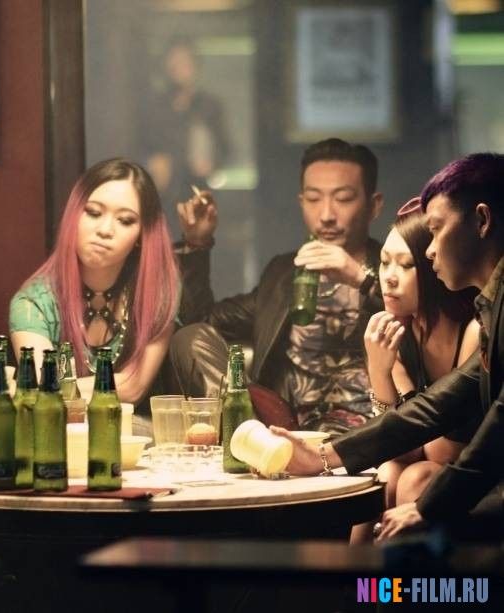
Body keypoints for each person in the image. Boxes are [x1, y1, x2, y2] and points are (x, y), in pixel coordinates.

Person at [277, 153, 504, 542]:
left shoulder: (481, 316)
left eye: (436, 229)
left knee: (414, 504)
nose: (429, 250)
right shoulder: (492, 303)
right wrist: (322, 456)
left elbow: (496, 430)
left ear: (482, 221)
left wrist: (429, 506)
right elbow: (438, 406)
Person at [170, 138, 385, 434]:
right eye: (313, 199)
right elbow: (198, 322)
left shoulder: (397, 268)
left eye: (344, 198)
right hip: (282, 428)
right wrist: (196, 245)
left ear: (373, 206)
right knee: (191, 337)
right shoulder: (283, 274)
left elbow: (424, 335)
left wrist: (361, 279)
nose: (326, 215)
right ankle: (249, 436)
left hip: (370, 428)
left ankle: (251, 444)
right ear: (301, 202)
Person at [350, 201, 479, 543]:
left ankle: (403, 578)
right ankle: (352, 573)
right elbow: (397, 450)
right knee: (386, 473)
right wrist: (380, 371)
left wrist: (408, 412)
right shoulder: (397, 331)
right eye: (384, 262)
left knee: (416, 477)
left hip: (479, 470)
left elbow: (444, 454)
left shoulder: (472, 332)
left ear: (434, 266)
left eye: (406, 265)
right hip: (428, 462)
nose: (389, 277)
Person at [9, 158, 179, 406]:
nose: (105, 230)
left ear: (141, 235)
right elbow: (42, 390)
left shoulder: (158, 291)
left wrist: (59, 386)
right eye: (93, 212)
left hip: (138, 426)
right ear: (73, 216)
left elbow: (134, 387)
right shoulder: (33, 302)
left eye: (125, 220)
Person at [142, 37, 232, 205]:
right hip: (162, 195)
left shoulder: (210, 107)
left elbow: (225, 148)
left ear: (195, 65)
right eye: (174, 62)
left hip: (198, 192)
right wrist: (151, 163)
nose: (179, 67)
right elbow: (141, 146)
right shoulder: (153, 108)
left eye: (184, 61)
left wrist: (211, 163)